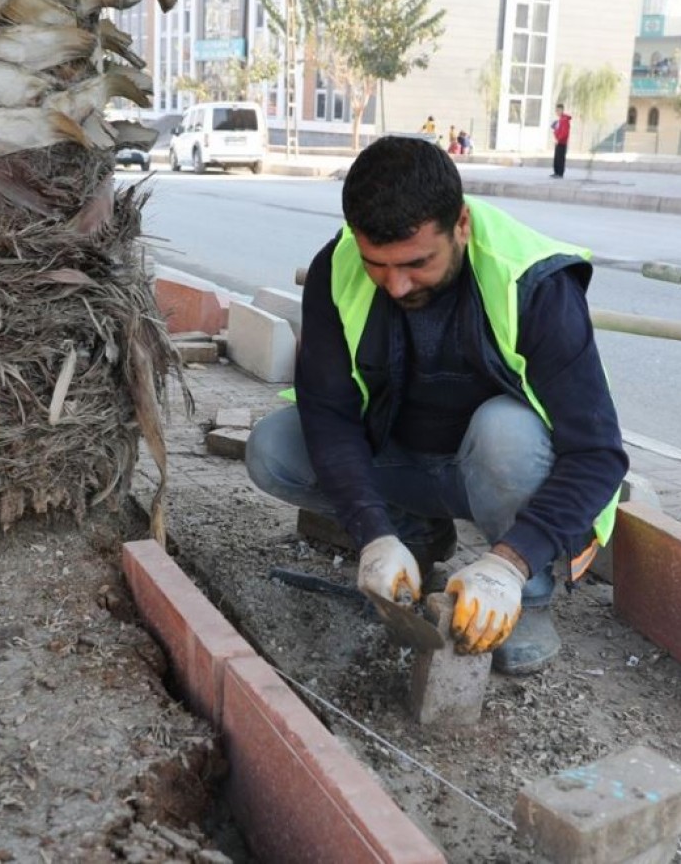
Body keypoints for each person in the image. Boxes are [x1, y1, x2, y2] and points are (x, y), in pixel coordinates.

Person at [245, 137, 627, 674]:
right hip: (406, 461)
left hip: (496, 470)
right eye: (378, 264)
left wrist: (508, 565)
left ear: (462, 225)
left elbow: (599, 455)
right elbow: (329, 414)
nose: (397, 285)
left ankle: (529, 595)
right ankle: (415, 536)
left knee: (505, 433)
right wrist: (373, 534)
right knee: (275, 447)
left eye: (418, 263)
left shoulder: (535, 283)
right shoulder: (337, 268)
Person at [551, 103, 571, 178]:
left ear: (562, 110)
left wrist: (559, 139)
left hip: (562, 142)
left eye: (558, 110)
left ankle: (560, 173)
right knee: (556, 158)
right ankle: (556, 172)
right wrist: (554, 128)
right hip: (558, 141)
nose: (557, 112)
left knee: (560, 158)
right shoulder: (560, 119)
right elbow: (558, 130)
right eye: (556, 110)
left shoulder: (564, 120)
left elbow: (564, 132)